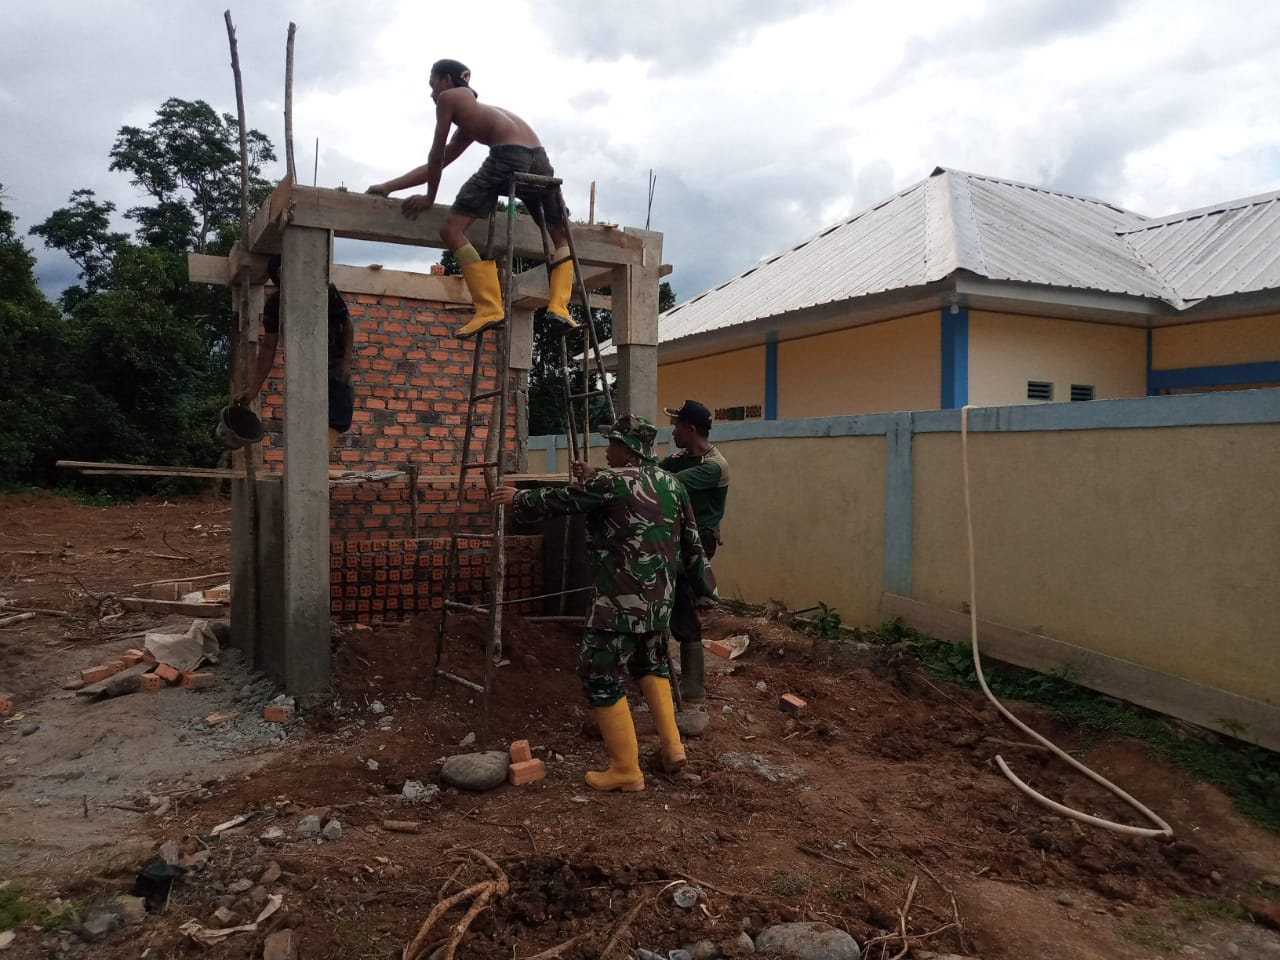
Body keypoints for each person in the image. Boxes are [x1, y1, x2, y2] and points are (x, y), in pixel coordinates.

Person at [492, 415, 716, 792]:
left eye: (611, 443)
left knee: (598, 674)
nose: (607, 449)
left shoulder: (611, 482)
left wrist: (519, 500)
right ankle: (673, 746)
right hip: (659, 602)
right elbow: (692, 544)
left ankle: (626, 769)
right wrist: (707, 591)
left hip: (618, 603)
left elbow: (563, 500)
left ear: (627, 447)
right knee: (652, 664)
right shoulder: (671, 484)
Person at [366, 59, 578, 339]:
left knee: (451, 229)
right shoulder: (479, 116)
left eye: (433, 85)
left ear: (446, 80)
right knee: (560, 236)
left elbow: (436, 155)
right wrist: (389, 186)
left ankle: (489, 308)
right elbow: (442, 163)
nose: (432, 95)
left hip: (508, 155)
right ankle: (560, 306)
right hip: (539, 157)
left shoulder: (449, 98)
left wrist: (430, 197)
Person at [236, 254, 355, 450]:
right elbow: (268, 347)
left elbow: (347, 323)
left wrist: (346, 361)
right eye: (282, 272)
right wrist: (253, 389)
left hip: (333, 361)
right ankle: (311, 465)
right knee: (306, 417)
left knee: (338, 413)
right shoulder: (275, 305)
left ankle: (318, 462)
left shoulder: (324, 290)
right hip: (303, 369)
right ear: (277, 277)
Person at [659, 399, 730, 703]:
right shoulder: (681, 457)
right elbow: (651, 470)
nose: (672, 431)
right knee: (671, 597)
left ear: (690, 429)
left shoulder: (713, 466)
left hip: (698, 542)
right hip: (678, 538)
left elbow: (664, 482)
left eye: (676, 426)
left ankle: (692, 688)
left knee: (683, 601)